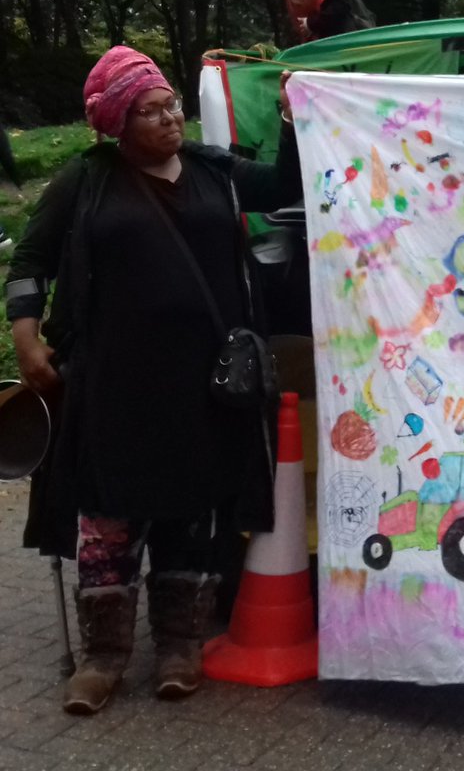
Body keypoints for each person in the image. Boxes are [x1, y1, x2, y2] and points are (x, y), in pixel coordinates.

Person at [4, 46, 300, 715]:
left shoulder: (214, 171)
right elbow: (31, 258)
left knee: (192, 510)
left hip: (202, 386)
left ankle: (178, 645)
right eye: (150, 111)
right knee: (108, 517)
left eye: (172, 105)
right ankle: (104, 656)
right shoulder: (86, 181)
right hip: (112, 386)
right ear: (116, 122)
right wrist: (25, 335)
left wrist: (290, 118)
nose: (169, 119)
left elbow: (286, 186)